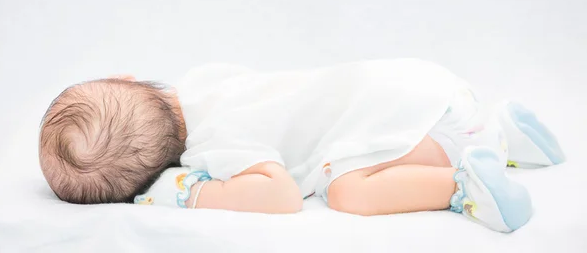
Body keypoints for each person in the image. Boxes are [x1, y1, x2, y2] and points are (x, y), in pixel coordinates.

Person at [39, 59, 565, 232]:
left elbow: (282, 195)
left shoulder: (214, 144)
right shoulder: (203, 83)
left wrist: (193, 194)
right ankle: (502, 133)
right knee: (351, 140)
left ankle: (464, 184)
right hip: (430, 89)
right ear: (128, 78)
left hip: (412, 131)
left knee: (346, 191)